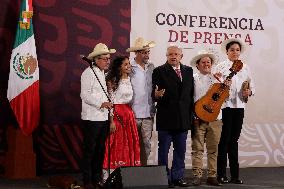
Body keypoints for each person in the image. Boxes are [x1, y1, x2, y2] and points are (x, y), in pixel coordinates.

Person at [152, 44, 194, 188]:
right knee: (163, 150)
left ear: (181, 56)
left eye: (176, 54)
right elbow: (154, 91)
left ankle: (178, 177)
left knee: (180, 151)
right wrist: (155, 95)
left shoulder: (189, 71)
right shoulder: (159, 71)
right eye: (170, 54)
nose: (173, 56)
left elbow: (190, 95)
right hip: (166, 118)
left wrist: (191, 115)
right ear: (167, 56)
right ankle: (163, 178)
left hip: (183, 119)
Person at [215, 38, 255, 184]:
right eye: (232, 50)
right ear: (227, 52)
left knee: (234, 140)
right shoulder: (221, 67)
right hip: (225, 107)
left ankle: (235, 175)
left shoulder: (245, 66)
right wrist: (222, 84)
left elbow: (252, 86)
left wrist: (249, 92)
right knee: (223, 141)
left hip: (239, 107)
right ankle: (220, 174)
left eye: (237, 50)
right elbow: (215, 88)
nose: (235, 52)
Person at [190, 50, 231, 186]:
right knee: (197, 148)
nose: (206, 64)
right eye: (203, 62)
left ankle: (212, 176)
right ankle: (197, 175)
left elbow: (226, 98)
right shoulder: (193, 78)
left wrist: (227, 88)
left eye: (208, 62)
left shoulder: (219, 79)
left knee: (213, 150)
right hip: (198, 118)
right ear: (198, 65)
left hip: (216, 119)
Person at [80, 43, 116, 189]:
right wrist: (101, 103)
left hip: (103, 118)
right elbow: (84, 94)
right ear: (96, 59)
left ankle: (97, 179)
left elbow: (106, 95)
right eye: (105, 59)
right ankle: (87, 181)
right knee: (90, 151)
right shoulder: (88, 73)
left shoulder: (103, 73)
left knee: (100, 150)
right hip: (91, 118)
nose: (108, 61)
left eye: (109, 58)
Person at [102, 56, 141, 178]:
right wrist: (111, 120)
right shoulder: (112, 80)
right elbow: (110, 101)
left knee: (128, 144)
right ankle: (110, 175)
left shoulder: (129, 79)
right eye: (125, 64)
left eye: (129, 64)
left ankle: (127, 175)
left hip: (128, 114)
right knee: (116, 144)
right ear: (119, 67)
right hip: (116, 114)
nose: (129, 66)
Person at [126, 37, 156, 165]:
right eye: (144, 52)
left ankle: (142, 170)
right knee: (130, 143)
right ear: (136, 53)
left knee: (146, 144)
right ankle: (130, 170)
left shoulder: (151, 67)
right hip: (132, 113)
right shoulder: (128, 67)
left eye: (148, 52)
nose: (147, 55)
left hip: (148, 113)